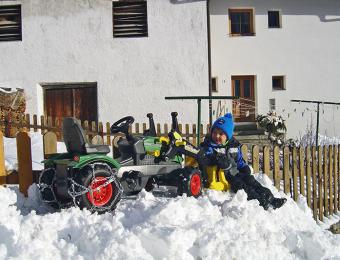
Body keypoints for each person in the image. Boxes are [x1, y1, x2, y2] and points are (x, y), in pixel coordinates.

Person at [199, 113, 286, 210]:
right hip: (225, 176)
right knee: (243, 187)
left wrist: (244, 167)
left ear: (228, 136)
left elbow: (239, 160)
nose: (216, 136)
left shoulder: (234, 146)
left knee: (252, 181)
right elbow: (205, 158)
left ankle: (271, 199)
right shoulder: (209, 146)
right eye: (214, 132)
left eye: (221, 133)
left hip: (236, 173)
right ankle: (260, 201)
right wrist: (216, 159)